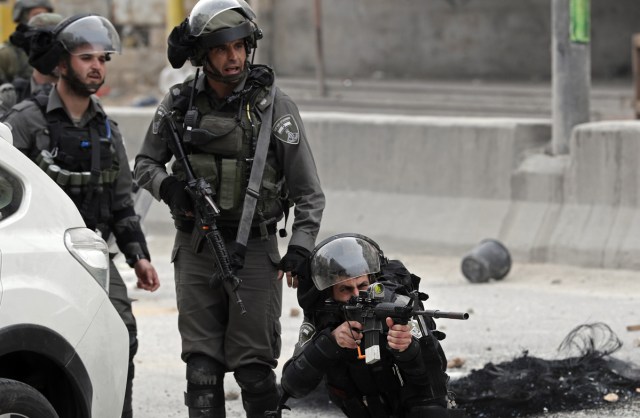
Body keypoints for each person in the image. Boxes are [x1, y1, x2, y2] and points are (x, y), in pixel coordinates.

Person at [133, 0, 325, 416]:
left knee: (254, 371)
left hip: (255, 252)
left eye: (239, 46)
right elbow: (144, 164)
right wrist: (169, 188)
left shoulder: (273, 107)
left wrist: (301, 247)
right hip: (196, 249)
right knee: (201, 370)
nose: (233, 56)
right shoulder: (179, 103)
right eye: (221, 48)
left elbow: (309, 192)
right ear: (204, 55)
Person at [1, 14, 160, 418]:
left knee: (121, 333)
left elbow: (122, 202)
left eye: (103, 58)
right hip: (34, 251)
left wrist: (138, 256)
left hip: (90, 257)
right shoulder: (25, 122)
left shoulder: (107, 129)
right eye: (86, 57)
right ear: (61, 64)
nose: (97, 67)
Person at [280, 233, 466, 418]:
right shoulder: (324, 317)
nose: (355, 295)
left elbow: (435, 373)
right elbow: (292, 385)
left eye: (362, 285)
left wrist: (409, 350)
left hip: (414, 407)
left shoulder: (397, 304)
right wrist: (330, 342)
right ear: (330, 293)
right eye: (345, 289)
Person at [0, 12, 64, 116]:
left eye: (61, 44)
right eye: (46, 43)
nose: (55, 52)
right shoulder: (11, 97)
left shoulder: (81, 98)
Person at [0, 0, 53, 84]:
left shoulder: (55, 50)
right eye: (36, 15)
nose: (43, 19)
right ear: (23, 18)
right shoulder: (6, 54)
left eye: (47, 15)